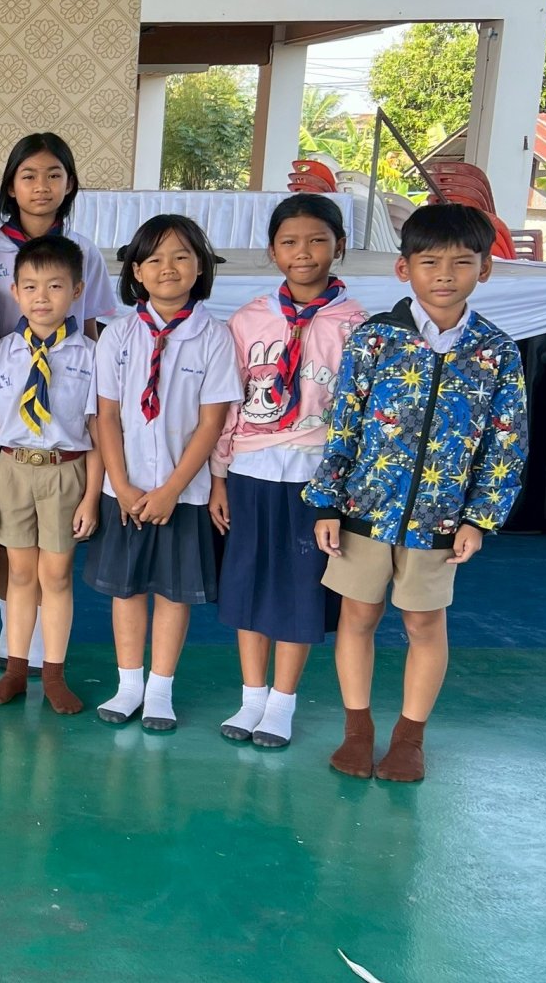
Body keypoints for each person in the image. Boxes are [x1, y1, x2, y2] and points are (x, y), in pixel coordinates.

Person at [306, 203, 527, 782]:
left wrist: (480, 518)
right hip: (365, 511)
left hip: (440, 520)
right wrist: (327, 501)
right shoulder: (374, 339)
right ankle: (357, 731)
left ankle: (409, 739)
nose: (445, 274)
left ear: (485, 269)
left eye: (462, 262)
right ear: (404, 269)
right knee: (358, 615)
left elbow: (506, 443)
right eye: (430, 261)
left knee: (424, 625)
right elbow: (343, 422)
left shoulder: (498, 352)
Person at [208, 194, 367, 747]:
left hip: (314, 477)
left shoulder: (358, 326)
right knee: (248, 583)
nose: (304, 252)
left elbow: (357, 415)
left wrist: (339, 492)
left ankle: (282, 703)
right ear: (273, 250)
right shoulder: (249, 319)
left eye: (318, 240)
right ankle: (251, 697)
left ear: (339, 246)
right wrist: (219, 475)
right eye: (290, 242)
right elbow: (228, 402)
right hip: (251, 470)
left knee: (300, 588)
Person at [85, 215, 240, 732]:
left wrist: (172, 489)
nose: (167, 268)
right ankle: (129, 684)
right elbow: (106, 416)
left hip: (183, 493)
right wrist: (121, 484)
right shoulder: (117, 336)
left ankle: (159, 690)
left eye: (180, 257)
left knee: (174, 594)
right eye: (153, 258)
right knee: (127, 591)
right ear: (136, 271)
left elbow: (211, 422)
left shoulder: (214, 337)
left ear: (200, 266)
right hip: (125, 490)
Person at [0, 132, 121, 672]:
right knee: (10, 542)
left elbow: (91, 323)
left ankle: (47, 642)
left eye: (54, 175)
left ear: (70, 184)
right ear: (11, 186)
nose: (41, 187)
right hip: (2, 385)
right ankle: (12, 634)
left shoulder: (82, 250)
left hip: (63, 389)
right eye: (29, 176)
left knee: (55, 559)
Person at [0, 234, 104, 713]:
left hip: (65, 474)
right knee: (21, 574)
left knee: (58, 576)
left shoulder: (91, 356)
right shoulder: (3, 352)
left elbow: (98, 431)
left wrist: (91, 497)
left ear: (77, 291)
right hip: (12, 471)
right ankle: (15, 669)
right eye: (30, 286)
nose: (41, 298)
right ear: (14, 291)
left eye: (55, 286)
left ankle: (54, 675)